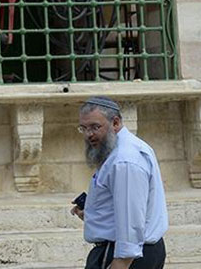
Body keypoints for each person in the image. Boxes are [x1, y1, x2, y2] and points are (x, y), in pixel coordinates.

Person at [72, 96, 168, 269]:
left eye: (95, 127)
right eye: (84, 128)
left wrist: (121, 262)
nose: (89, 134)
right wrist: (92, 215)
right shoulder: (118, 152)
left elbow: (132, 217)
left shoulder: (125, 160)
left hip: (124, 256)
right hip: (126, 251)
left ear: (115, 123)